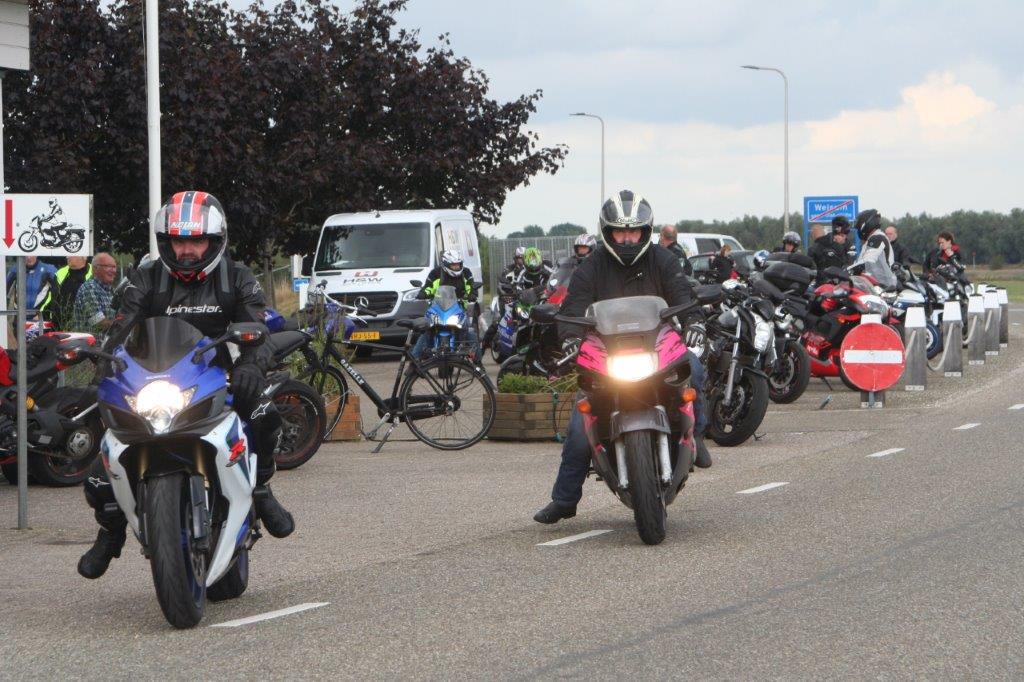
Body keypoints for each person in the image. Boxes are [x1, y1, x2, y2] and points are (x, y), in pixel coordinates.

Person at [77, 191, 293, 580]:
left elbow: (258, 329)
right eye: (179, 241)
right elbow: (122, 327)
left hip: (219, 379)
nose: (187, 250)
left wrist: (251, 365)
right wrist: (103, 369)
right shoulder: (146, 278)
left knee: (265, 414)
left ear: (214, 241)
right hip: (154, 383)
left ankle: (260, 488)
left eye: (197, 241)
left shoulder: (237, 277)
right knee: (100, 464)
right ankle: (111, 531)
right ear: (167, 241)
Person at [533, 189, 711, 524]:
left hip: (658, 345)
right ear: (607, 232)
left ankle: (698, 434)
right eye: (619, 232)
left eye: (634, 232)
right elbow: (572, 308)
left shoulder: (663, 260)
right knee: (580, 426)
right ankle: (565, 499)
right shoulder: (592, 266)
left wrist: (695, 322)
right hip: (607, 352)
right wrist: (570, 338)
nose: (627, 239)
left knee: (695, 368)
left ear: (646, 231)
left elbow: (683, 295)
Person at [412, 249, 479, 359]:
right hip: (437, 308)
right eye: (453, 265)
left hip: (458, 308)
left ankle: (478, 362)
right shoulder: (435, 273)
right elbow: (428, 287)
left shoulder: (466, 273)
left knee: (469, 332)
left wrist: (472, 294)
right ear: (446, 264)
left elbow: (471, 287)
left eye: (458, 264)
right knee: (426, 330)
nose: (456, 267)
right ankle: (414, 361)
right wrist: (423, 293)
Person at [70, 252, 117, 335]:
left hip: (107, 342)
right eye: (108, 266)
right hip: (92, 342)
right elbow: (97, 322)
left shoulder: (111, 290)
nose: (113, 270)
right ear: (95, 269)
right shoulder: (89, 288)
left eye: (114, 267)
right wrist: (124, 325)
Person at [40, 256, 92, 330]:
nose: (67, 257)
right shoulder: (61, 273)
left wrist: (93, 327)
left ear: (84, 257)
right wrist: (41, 316)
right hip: (57, 327)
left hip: (84, 329)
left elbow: (101, 308)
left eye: (71, 254)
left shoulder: (96, 274)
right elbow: (50, 299)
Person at [851, 209, 896, 289]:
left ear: (865, 226)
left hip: (882, 287)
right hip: (877, 285)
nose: (858, 232)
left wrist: (847, 271)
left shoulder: (877, 238)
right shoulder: (873, 239)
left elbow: (866, 261)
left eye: (858, 229)